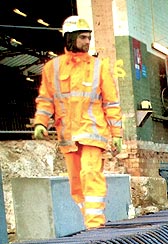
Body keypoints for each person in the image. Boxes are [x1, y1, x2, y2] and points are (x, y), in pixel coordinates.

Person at [33, 16, 123, 230]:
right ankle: (89, 220)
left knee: (90, 174)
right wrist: (40, 122)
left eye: (89, 37)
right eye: (83, 37)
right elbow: (46, 99)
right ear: (70, 38)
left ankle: (95, 226)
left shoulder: (99, 67)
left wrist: (117, 134)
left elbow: (111, 103)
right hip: (68, 136)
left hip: (92, 134)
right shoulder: (52, 68)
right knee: (76, 185)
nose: (87, 41)